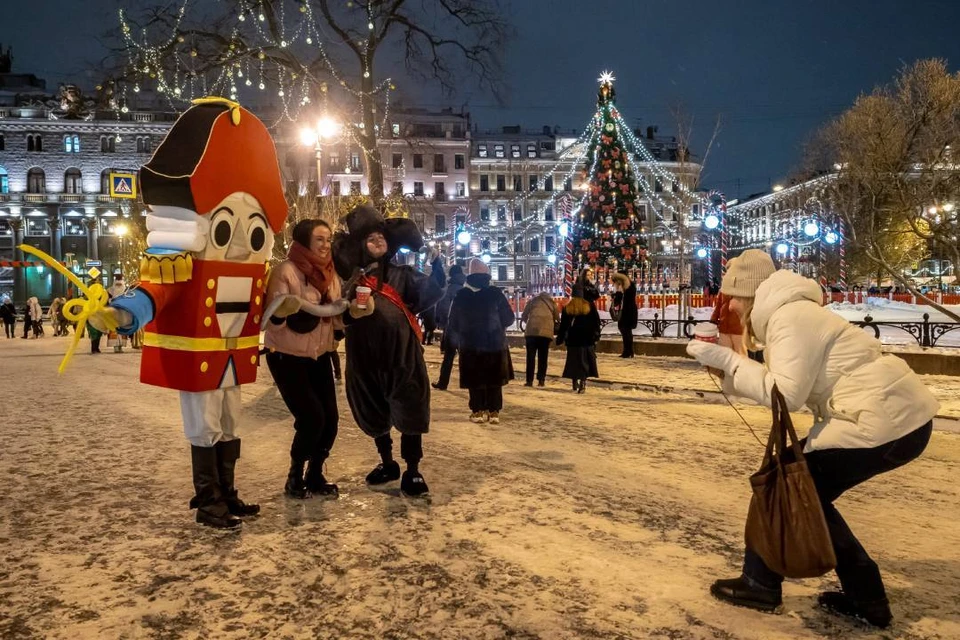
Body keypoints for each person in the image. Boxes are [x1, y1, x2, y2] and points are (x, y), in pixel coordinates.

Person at [686, 249, 939, 629]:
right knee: (789, 482)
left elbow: (786, 395)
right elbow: (783, 384)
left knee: (793, 487)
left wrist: (731, 363)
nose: (731, 305)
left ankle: (785, 586)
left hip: (885, 421)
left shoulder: (790, 317)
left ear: (751, 293)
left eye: (734, 296)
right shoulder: (790, 314)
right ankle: (842, 592)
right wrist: (728, 372)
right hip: (887, 417)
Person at [89, 98, 291, 529]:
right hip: (200, 353)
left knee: (231, 420)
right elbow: (156, 290)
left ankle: (227, 491)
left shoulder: (253, 269)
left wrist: (280, 307)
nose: (239, 241)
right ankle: (207, 499)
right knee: (204, 423)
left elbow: (263, 304)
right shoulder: (179, 264)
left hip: (232, 355)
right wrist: (124, 314)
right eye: (223, 224)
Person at [332, 204, 443, 498]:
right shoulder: (350, 283)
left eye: (380, 236)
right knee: (372, 409)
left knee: (410, 407)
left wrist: (441, 270)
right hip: (365, 357)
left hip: (402, 356)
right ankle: (387, 462)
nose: (378, 240)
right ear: (361, 246)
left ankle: (413, 469)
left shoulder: (403, 274)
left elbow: (427, 294)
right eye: (370, 238)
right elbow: (337, 315)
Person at [264, 219, 347, 500]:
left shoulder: (331, 273)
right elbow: (271, 322)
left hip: (319, 355)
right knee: (312, 417)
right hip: (287, 357)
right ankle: (295, 476)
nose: (325, 245)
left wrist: (349, 317)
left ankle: (316, 473)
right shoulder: (285, 271)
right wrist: (281, 312)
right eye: (319, 239)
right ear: (304, 242)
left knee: (331, 420)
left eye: (328, 239)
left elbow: (336, 316)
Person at [447, 258, 514, 423]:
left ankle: (477, 411)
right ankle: (494, 411)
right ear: (487, 274)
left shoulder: (461, 295)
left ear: (469, 274)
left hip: (470, 344)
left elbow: (453, 322)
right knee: (494, 379)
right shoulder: (495, 293)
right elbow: (509, 318)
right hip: (494, 344)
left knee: (475, 378)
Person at [556, 287, 600, 393]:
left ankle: (574, 382)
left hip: (572, 340)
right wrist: (596, 336)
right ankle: (583, 384)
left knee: (573, 361)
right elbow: (596, 323)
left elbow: (564, 326)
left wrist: (560, 338)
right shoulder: (588, 307)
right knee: (584, 362)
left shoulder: (568, 308)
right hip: (586, 340)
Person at [432, 263, 465, 391]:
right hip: (465, 328)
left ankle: (443, 382)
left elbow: (444, 308)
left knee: (449, 357)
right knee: (464, 356)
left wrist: (441, 321)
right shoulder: (465, 289)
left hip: (452, 328)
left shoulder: (449, 289)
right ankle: (467, 381)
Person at [520, 291, 559, 387]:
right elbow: (557, 318)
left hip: (531, 333)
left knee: (530, 357)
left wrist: (531, 322)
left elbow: (524, 315)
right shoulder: (552, 303)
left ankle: (529, 381)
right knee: (543, 357)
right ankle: (541, 380)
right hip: (545, 334)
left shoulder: (533, 301)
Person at [709, 258, 745, 355]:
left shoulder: (745, 286)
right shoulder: (724, 287)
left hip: (739, 329)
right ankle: (727, 371)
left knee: (740, 355)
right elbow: (719, 305)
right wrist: (713, 319)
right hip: (724, 327)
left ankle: (741, 370)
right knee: (725, 355)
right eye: (728, 269)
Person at [419, 249, 445, 346]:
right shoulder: (437, 269)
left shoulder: (436, 270)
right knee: (429, 328)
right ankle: (426, 341)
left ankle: (426, 340)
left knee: (428, 328)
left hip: (429, 314)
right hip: (430, 315)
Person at [611, 272, 638, 358]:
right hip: (629, 311)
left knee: (626, 331)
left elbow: (618, 301)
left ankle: (628, 351)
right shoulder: (630, 285)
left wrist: (617, 294)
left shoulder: (624, 287)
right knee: (627, 332)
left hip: (626, 312)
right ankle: (629, 351)